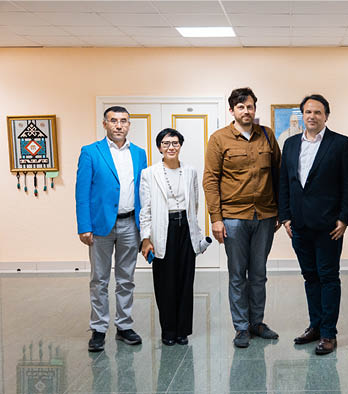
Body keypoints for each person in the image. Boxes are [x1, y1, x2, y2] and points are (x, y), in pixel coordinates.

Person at [203, 87, 281, 348]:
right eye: (240, 107)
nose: (246, 111)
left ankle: (257, 322)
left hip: (265, 216)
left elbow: (279, 175)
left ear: (255, 109)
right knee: (238, 274)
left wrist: (280, 210)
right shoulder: (219, 139)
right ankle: (241, 327)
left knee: (259, 273)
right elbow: (211, 179)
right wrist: (216, 218)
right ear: (232, 110)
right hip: (234, 217)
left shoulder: (267, 136)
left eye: (249, 106)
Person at [279, 94, 348, 355]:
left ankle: (328, 333)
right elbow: (284, 183)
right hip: (299, 225)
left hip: (329, 226)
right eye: (308, 112)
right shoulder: (289, 144)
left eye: (317, 112)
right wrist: (285, 217)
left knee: (328, 277)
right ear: (302, 115)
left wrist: (344, 218)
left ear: (326, 116)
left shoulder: (340, 143)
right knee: (310, 277)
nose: (312, 116)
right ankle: (315, 326)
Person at [76, 106, 147, 352]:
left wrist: (145, 228)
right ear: (105, 124)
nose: (119, 125)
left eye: (124, 121)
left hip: (130, 224)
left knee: (126, 279)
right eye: (113, 121)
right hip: (100, 227)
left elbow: (143, 193)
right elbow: (82, 193)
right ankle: (98, 328)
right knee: (99, 279)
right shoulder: (90, 152)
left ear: (129, 125)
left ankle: (124, 326)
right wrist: (84, 226)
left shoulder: (139, 154)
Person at [140, 128, 208, 346]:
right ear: (159, 147)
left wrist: (194, 229)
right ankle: (168, 330)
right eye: (166, 143)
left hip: (186, 229)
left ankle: (182, 331)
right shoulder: (149, 173)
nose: (171, 147)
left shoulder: (190, 171)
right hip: (163, 229)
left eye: (175, 143)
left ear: (180, 146)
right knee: (165, 282)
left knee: (186, 281)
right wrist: (146, 238)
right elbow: (146, 209)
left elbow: (195, 203)